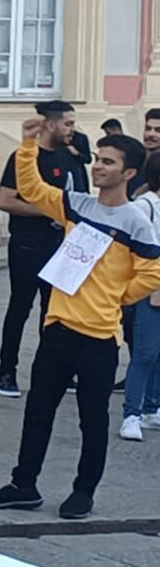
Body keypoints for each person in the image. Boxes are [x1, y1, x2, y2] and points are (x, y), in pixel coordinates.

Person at [0, 123, 160, 520]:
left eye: (109, 163)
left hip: (98, 338)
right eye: (98, 160)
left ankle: (83, 491)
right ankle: (24, 484)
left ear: (129, 173)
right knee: (37, 411)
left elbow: (153, 272)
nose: (99, 168)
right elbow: (34, 187)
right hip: (58, 328)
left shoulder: (135, 221)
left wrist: (116, 297)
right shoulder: (78, 205)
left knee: (92, 421)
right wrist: (27, 144)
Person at [0, 100, 88, 397]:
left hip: (63, 249)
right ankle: (6, 372)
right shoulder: (25, 156)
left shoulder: (72, 158)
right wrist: (48, 211)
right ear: (50, 124)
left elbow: (79, 201)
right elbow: (5, 200)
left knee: (56, 313)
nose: (72, 129)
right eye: (68, 123)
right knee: (20, 308)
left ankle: (56, 371)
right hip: (27, 246)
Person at [118, 153, 160, 440]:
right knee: (145, 352)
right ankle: (131, 414)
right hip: (149, 285)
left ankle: (151, 407)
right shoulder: (145, 206)